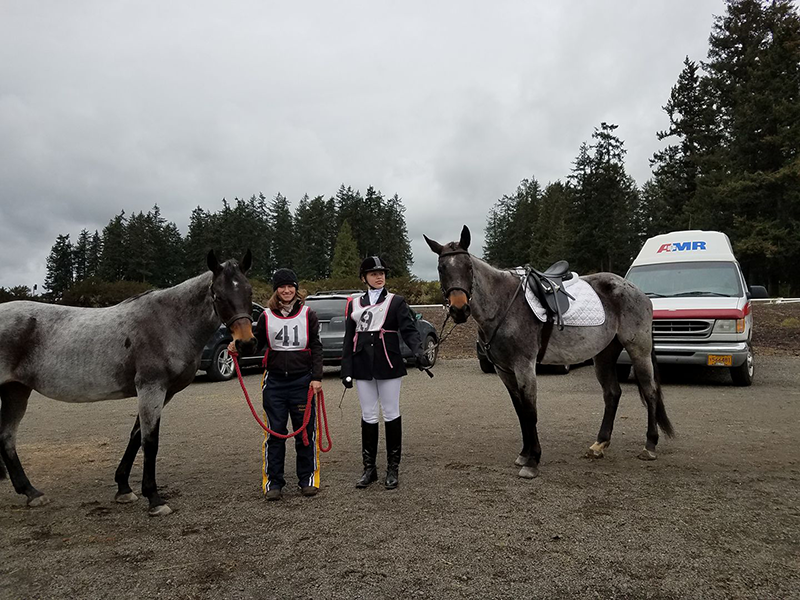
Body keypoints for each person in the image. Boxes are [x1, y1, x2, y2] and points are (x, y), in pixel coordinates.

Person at [230, 268, 323, 501]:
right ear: (276, 290)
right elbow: (255, 345)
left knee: (305, 433)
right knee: (275, 433)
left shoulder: (308, 314)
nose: (286, 290)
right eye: (282, 287)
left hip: (303, 381)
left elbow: (317, 347)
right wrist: (237, 346)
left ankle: (307, 479)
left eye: (290, 286)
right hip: (275, 382)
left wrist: (317, 377)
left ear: (296, 288)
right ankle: (274, 482)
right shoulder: (266, 317)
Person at [341, 256, 431, 490]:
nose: (379, 276)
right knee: (368, 414)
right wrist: (346, 369)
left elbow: (409, 330)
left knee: (391, 412)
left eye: (381, 273)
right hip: (362, 364)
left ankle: (393, 468)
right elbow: (348, 338)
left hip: (388, 362)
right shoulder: (353, 304)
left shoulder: (396, 301)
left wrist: (419, 351)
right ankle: (369, 468)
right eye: (373, 273)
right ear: (364, 278)